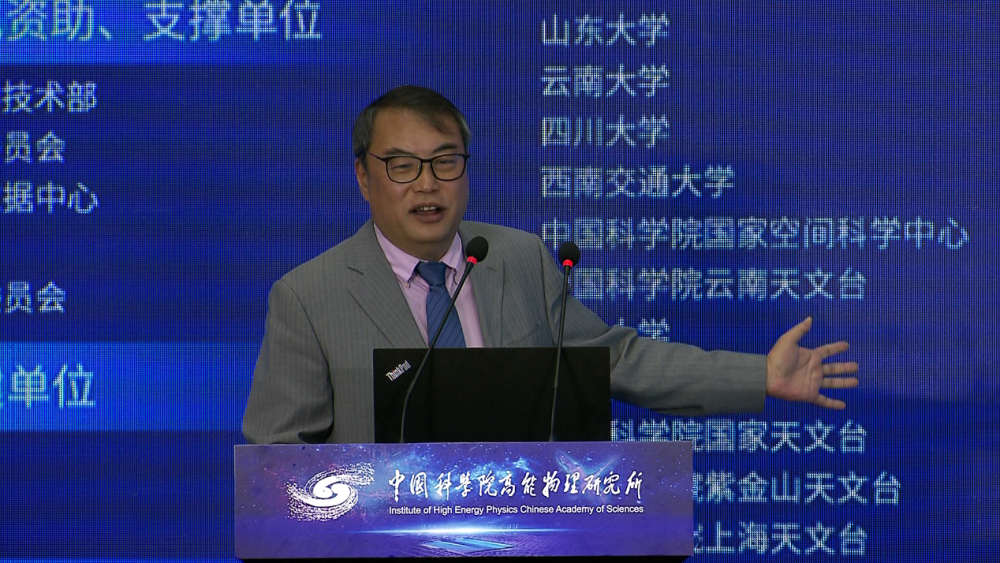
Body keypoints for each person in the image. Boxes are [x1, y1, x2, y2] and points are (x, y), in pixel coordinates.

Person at [242, 85, 859, 444]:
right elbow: (278, 463)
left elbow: (618, 359)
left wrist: (760, 375)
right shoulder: (309, 297)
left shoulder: (516, 259)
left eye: (446, 161)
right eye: (402, 165)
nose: (427, 184)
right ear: (363, 176)